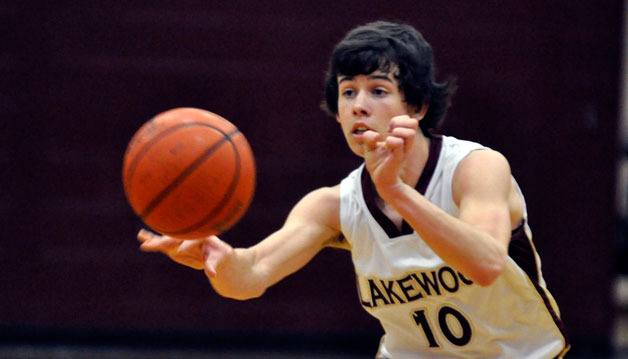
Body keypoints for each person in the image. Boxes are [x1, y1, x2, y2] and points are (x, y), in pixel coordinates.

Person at [138, 21, 569, 358]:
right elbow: (250, 276)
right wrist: (218, 258)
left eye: (378, 90)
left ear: (416, 107)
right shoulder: (334, 205)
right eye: (348, 92)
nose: (358, 104)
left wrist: (398, 192)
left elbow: (487, 263)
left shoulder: (474, 168)